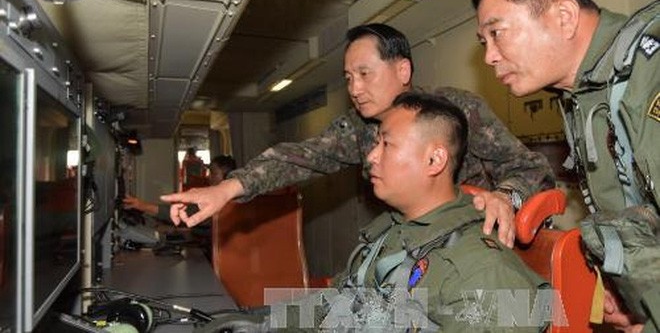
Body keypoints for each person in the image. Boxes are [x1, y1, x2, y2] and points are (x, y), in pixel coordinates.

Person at [162, 23, 555, 248]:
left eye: (365, 74)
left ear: (402, 71)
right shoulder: (358, 128)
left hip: (477, 247)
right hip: (417, 248)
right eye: (349, 77)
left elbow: (533, 168)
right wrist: (226, 189)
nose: (354, 87)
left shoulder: (456, 111)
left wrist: (507, 196)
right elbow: (298, 157)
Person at [205, 92, 549, 332]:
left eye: (387, 143)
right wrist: (262, 323)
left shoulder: (482, 272)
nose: (371, 157)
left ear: (434, 160)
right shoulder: (392, 234)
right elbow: (340, 304)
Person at [472, 0, 659, 332]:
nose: (490, 56)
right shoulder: (582, 95)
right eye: (484, 41)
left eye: (497, 33)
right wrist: (633, 292)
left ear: (564, 17)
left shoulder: (646, 74)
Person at [124, 154, 237, 221]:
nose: (209, 177)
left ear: (227, 176)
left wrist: (140, 205)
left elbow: (186, 212)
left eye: (213, 173)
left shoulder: (225, 202)